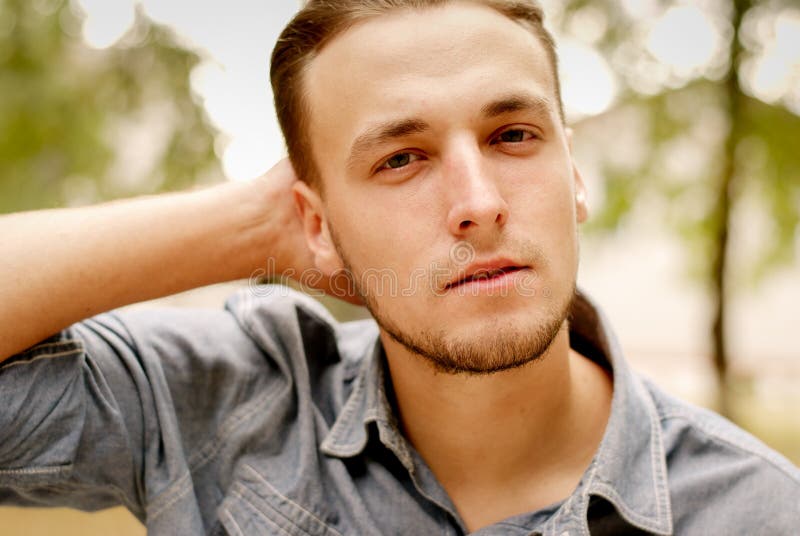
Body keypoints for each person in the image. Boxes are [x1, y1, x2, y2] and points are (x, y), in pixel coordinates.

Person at [1, 0, 798, 534]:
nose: (479, 203)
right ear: (313, 220)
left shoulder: (758, 512)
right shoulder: (229, 406)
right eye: (402, 159)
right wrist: (251, 226)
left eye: (513, 136)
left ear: (575, 173)